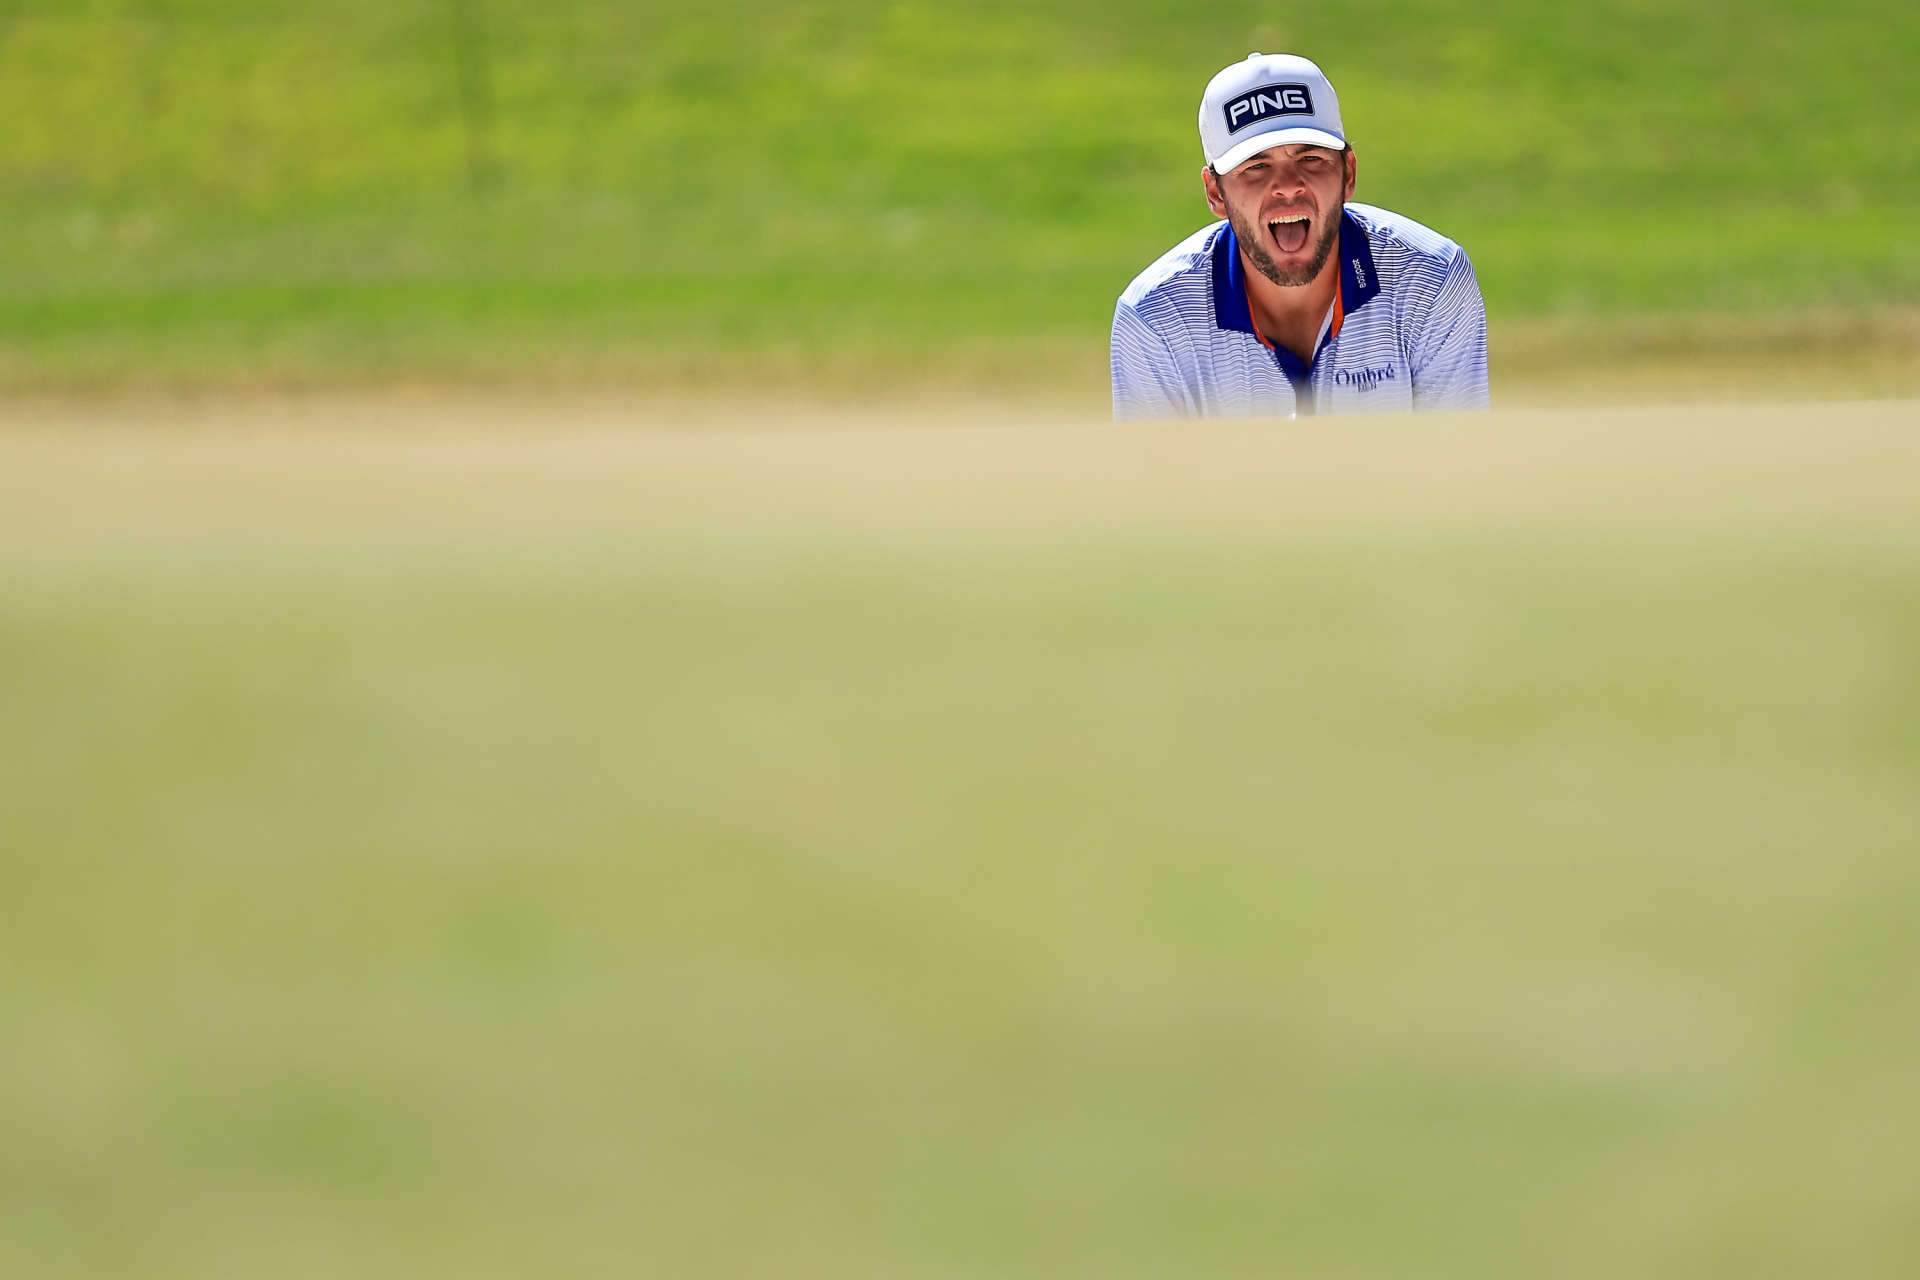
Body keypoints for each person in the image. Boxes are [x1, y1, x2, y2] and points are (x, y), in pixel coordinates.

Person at [1111, 54, 1490, 419]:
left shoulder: (1430, 279)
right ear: (1215, 193)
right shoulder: (1156, 318)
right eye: (1256, 166)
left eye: (1311, 159)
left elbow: (1459, 471)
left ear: (1349, 173)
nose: (1289, 186)